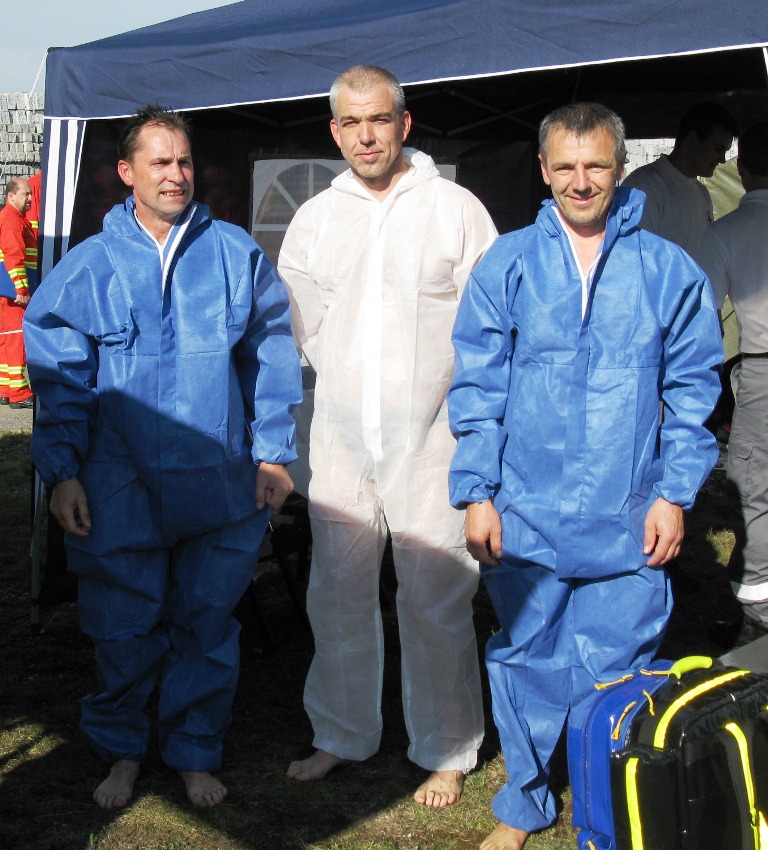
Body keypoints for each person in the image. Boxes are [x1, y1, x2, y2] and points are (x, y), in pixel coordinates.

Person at [447, 102, 722, 850]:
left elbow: (693, 390)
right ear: (543, 170)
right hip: (525, 504)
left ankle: (610, 799)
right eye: (565, 166)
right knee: (526, 657)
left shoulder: (666, 269)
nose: (580, 181)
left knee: (619, 665)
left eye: (596, 165)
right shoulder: (508, 263)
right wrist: (477, 494)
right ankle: (524, 803)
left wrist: (673, 494)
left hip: (627, 508)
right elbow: (477, 387)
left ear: (621, 167)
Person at [24, 106, 302, 811]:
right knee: (121, 627)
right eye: (159, 162)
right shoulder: (90, 266)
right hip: (118, 484)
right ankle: (122, 751)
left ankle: (194, 752)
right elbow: (59, 378)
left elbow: (271, 354)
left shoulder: (233, 253)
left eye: (183, 161)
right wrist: (63, 473)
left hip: (219, 480)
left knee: (206, 624)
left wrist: (273, 454)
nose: (176, 174)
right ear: (127, 172)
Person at [277, 65, 497, 808]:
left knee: (436, 596)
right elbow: (296, 325)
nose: (366, 136)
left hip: (433, 439)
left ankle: (447, 747)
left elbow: (489, 329)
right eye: (351, 122)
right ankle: (340, 732)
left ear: (404, 124)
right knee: (337, 593)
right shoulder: (317, 218)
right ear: (334, 130)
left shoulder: (455, 210)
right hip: (339, 438)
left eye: (379, 120)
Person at [699, 122, 768, 648]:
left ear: (741, 169)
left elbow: (701, 311)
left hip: (762, 367)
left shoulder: (726, 232)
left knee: (754, 484)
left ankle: (758, 606)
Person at [621, 101, 738, 263]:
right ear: (692, 140)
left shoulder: (702, 193)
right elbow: (630, 258)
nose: (722, 159)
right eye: (718, 149)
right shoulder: (643, 186)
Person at [0, 177, 36, 408]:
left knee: (7, 338)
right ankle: (19, 393)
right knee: (16, 338)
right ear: (11, 196)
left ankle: (5, 388)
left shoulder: (11, 218)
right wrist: (21, 290)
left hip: (6, 291)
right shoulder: (13, 220)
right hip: (14, 292)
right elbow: (14, 256)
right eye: (26, 194)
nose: (31, 198)